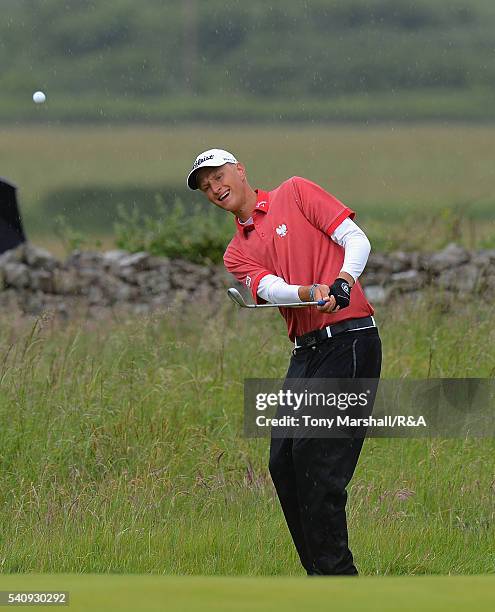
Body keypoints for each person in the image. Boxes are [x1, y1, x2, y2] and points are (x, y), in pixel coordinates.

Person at [186, 148, 382, 576]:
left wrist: (342, 282)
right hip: (306, 351)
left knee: (316, 462)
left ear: (239, 170)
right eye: (205, 187)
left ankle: (339, 582)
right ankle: (321, 576)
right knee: (284, 464)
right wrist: (311, 293)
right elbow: (271, 289)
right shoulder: (236, 251)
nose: (215, 188)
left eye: (218, 176)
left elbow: (356, 239)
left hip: (349, 340)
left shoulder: (295, 192)